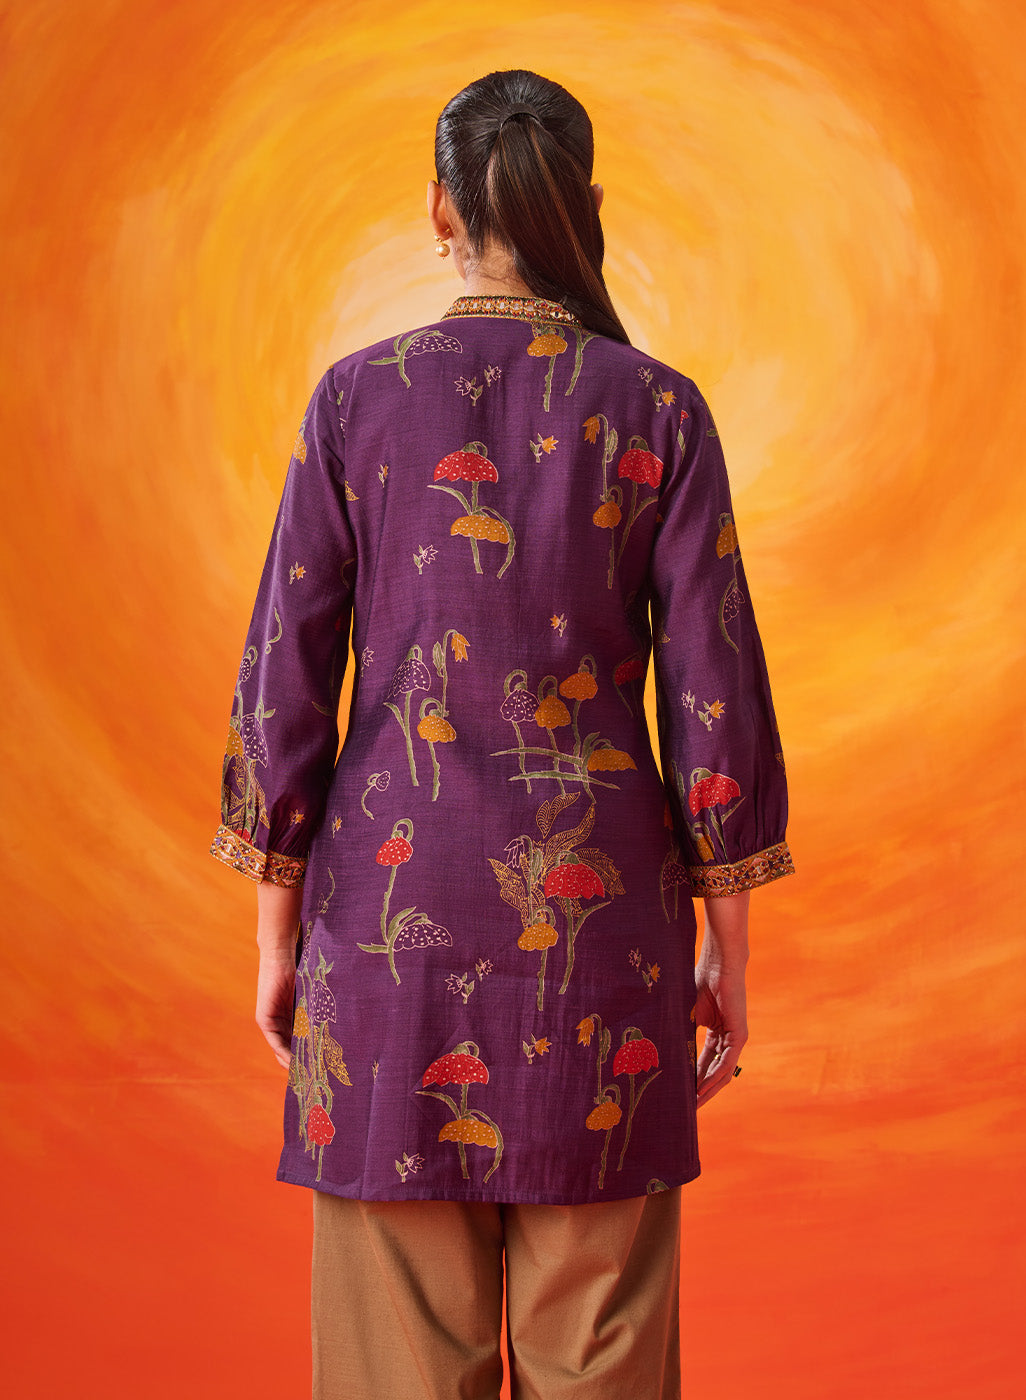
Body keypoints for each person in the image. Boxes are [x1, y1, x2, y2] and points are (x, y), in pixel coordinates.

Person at [211, 68, 793, 1400]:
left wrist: (274, 936)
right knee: (604, 1362)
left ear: (439, 209)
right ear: (585, 207)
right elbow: (714, 700)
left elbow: (284, 681)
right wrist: (732, 954)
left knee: (396, 1371)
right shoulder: (658, 408)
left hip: (384, 946)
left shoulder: (354, 401)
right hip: (606, 954)